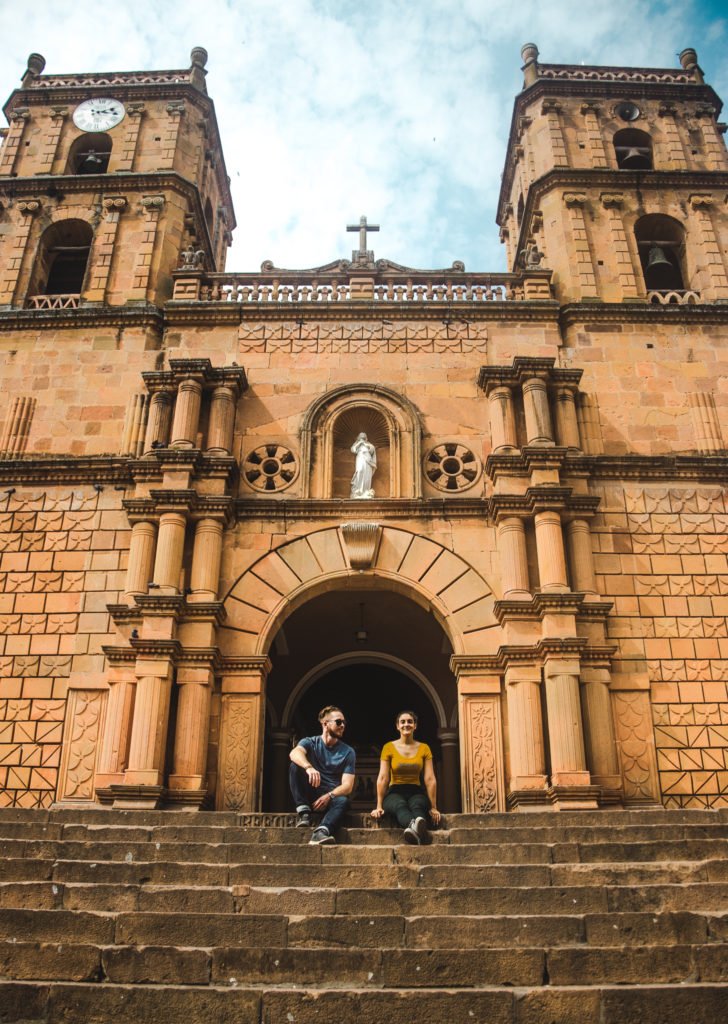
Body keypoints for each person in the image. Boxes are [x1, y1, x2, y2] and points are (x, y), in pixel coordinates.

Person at [370, 709, 441, 844]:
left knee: (418, 805)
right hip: (394, 791)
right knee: (400, 805)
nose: (406, 724)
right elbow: (383, 778)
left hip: (416, 790)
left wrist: (433, 807)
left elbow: (430, 779)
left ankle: (415, 829)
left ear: (415, 725)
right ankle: (416, 828)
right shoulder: (388, 747)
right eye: (402, 722)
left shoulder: (424, 748)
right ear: (397, 726)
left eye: (410, 721)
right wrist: (379, 805)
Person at [289, 705, 356, 845]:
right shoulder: (310, 742)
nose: (342, 725)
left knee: (343, 800)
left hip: (331, 797)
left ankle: (321, 832)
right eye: (338, 722)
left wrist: (329, 795)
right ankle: (304, 813)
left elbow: (348, 786)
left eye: (344, 722)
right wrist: (309, 768)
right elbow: (294, 753)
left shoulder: (348, 752)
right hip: (311, 792)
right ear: (325, 724)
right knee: (295, 765)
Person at [350, 432, 377, 498]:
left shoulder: (368, 444)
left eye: (364, 437)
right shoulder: (357, 444)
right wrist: (359, 443)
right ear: (358, 438)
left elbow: (372, 450)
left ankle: (366, 491)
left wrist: (366, 444)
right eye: (361, 437)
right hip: (360, 458)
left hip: (368, 460)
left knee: (367, 474)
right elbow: (353, 450)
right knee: (360, 470)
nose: (363, 438)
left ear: (366, 438)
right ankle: (358, 490)